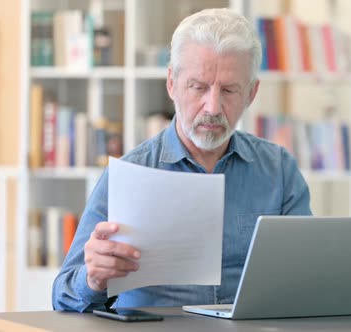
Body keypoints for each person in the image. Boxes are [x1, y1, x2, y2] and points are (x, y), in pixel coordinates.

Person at [52, 8, 312, 312]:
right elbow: (62, 296)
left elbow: (304, 278)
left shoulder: (279, 170)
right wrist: (93, 279)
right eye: (198, 87)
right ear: (172, 83)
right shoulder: (131, 172)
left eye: (229, 90)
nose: (212, 106)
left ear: (251, 94)